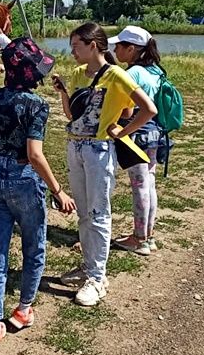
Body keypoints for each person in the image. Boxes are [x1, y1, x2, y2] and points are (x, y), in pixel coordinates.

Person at [0, 37, 76, 350]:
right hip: (23, 179)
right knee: (33, 245)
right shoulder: (36, 105)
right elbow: (35, 154)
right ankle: (24, 308)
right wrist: (58, 191)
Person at [51, 22, 157, 307]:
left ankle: (97, 279)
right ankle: (88, 267)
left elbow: (148, 109)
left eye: (76, 46)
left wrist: (123, 132)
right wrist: (63, 91)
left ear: (93, 45)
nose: (72, 51)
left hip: (99, 150)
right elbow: (71, 113)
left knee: (99, 213)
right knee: (84, 213)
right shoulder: (76, 74)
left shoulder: (116, 76)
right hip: (74, 146)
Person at [110, 26, 163, 256]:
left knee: (139, 186)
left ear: (131, 49)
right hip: (154, 133)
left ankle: (139, 239)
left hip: (137, 134)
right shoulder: (156, 71)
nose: (114, 49)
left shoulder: (132, 74)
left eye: (119, 46)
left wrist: (122, 131)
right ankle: (148, 236)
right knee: (149, 184)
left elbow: (126, 111)